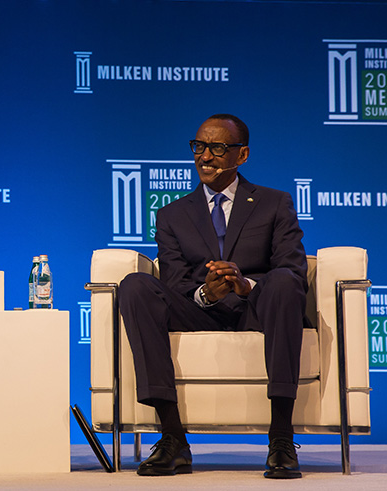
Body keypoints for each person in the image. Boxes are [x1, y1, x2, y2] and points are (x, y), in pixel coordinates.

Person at [118, 114, 307, 479]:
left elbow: (293, 268)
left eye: (218, 148)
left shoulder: (273, 203)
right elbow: (174, 281)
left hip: (257, 308)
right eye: (199, 147)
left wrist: (244, 285)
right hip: (199, 311)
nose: (205, 156)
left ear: (242, 155)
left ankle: (281, 436)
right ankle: (173, 438)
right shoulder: (172, 214)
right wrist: (207, 292)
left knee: (284, 282)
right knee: (135, 285)